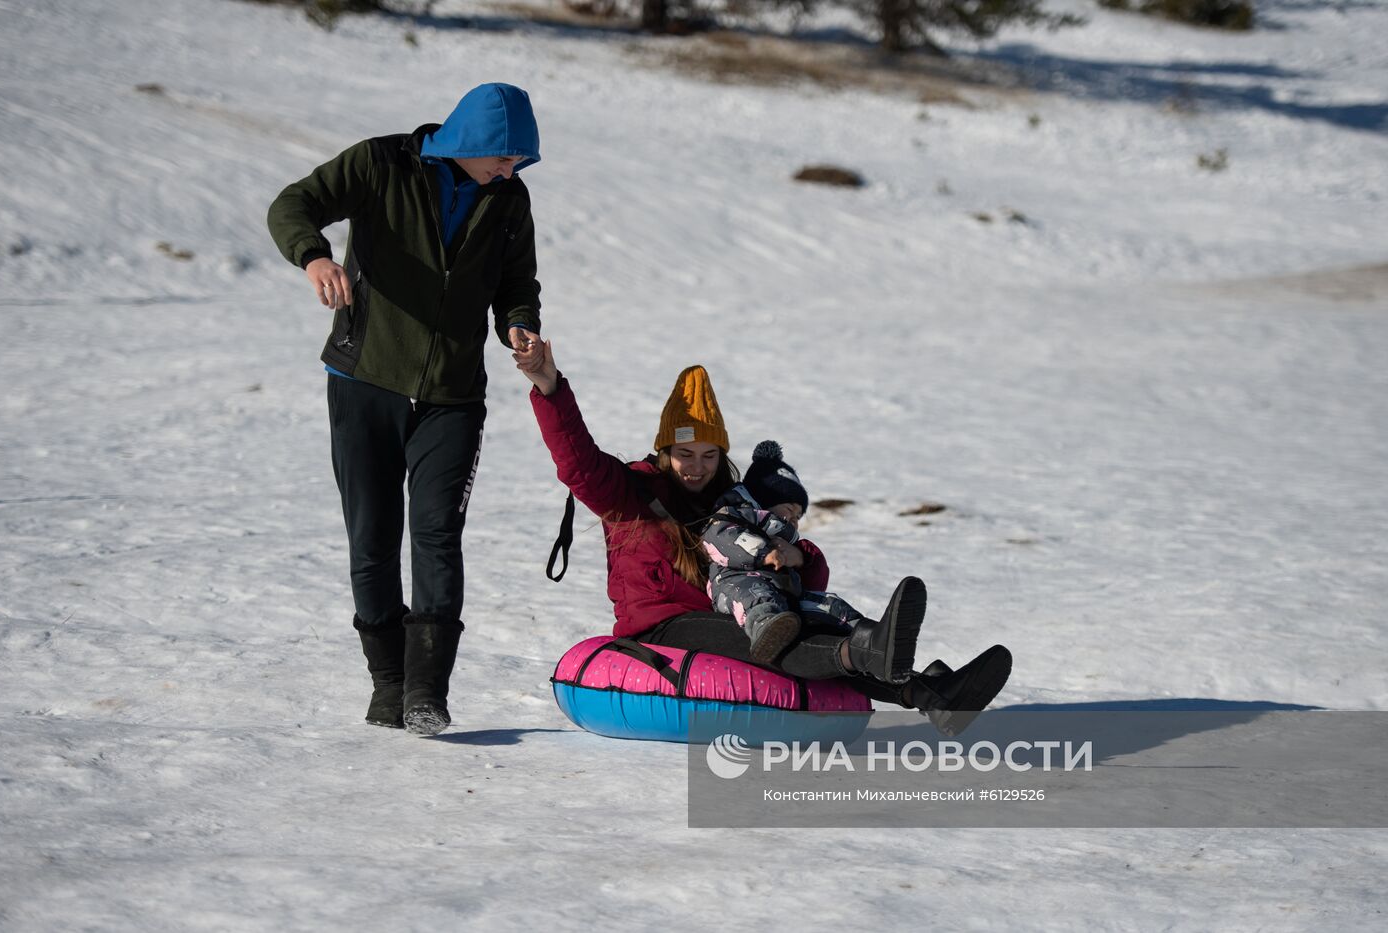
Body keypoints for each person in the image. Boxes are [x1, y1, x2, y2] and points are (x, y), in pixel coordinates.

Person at [514, 343, 1011, 732]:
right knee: (774, 635)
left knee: (798, 618)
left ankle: (932, 695)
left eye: (709, 455)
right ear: (666, 450)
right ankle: (864, 656)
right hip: (660, 625)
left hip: (730, 607)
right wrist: (548, 386)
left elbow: (804, 569)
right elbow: (576, 460)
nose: (697, 467)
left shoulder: (734, 499)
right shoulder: (629, 491)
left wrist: (796, 554)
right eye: (686, 454)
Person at [267, 82, 546, 736]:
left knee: (436, 533)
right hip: (365, 380)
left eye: (518, 160)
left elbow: (516, 284)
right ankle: (388, 683)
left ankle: (426, 691)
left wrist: (520, 324)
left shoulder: (509, 200)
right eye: (505, 156)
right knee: (371, 537)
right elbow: (294, 203)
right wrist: (312, 256)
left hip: (453, 395)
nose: (512, 169)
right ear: (471, 141)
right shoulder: (380, 164)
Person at [700, 439, 876, 664]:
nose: (793, 519)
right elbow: (721, 537)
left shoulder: (787, 541)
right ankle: (766, 630)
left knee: (829, 603)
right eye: (789, 510)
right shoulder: (734, 514)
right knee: (757, 594)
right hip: (735, 581)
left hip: (783, 593)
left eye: (799, 516)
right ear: (764, 501)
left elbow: (815, 580)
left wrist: (799, 558)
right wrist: (763, 553)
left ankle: (870, 636)